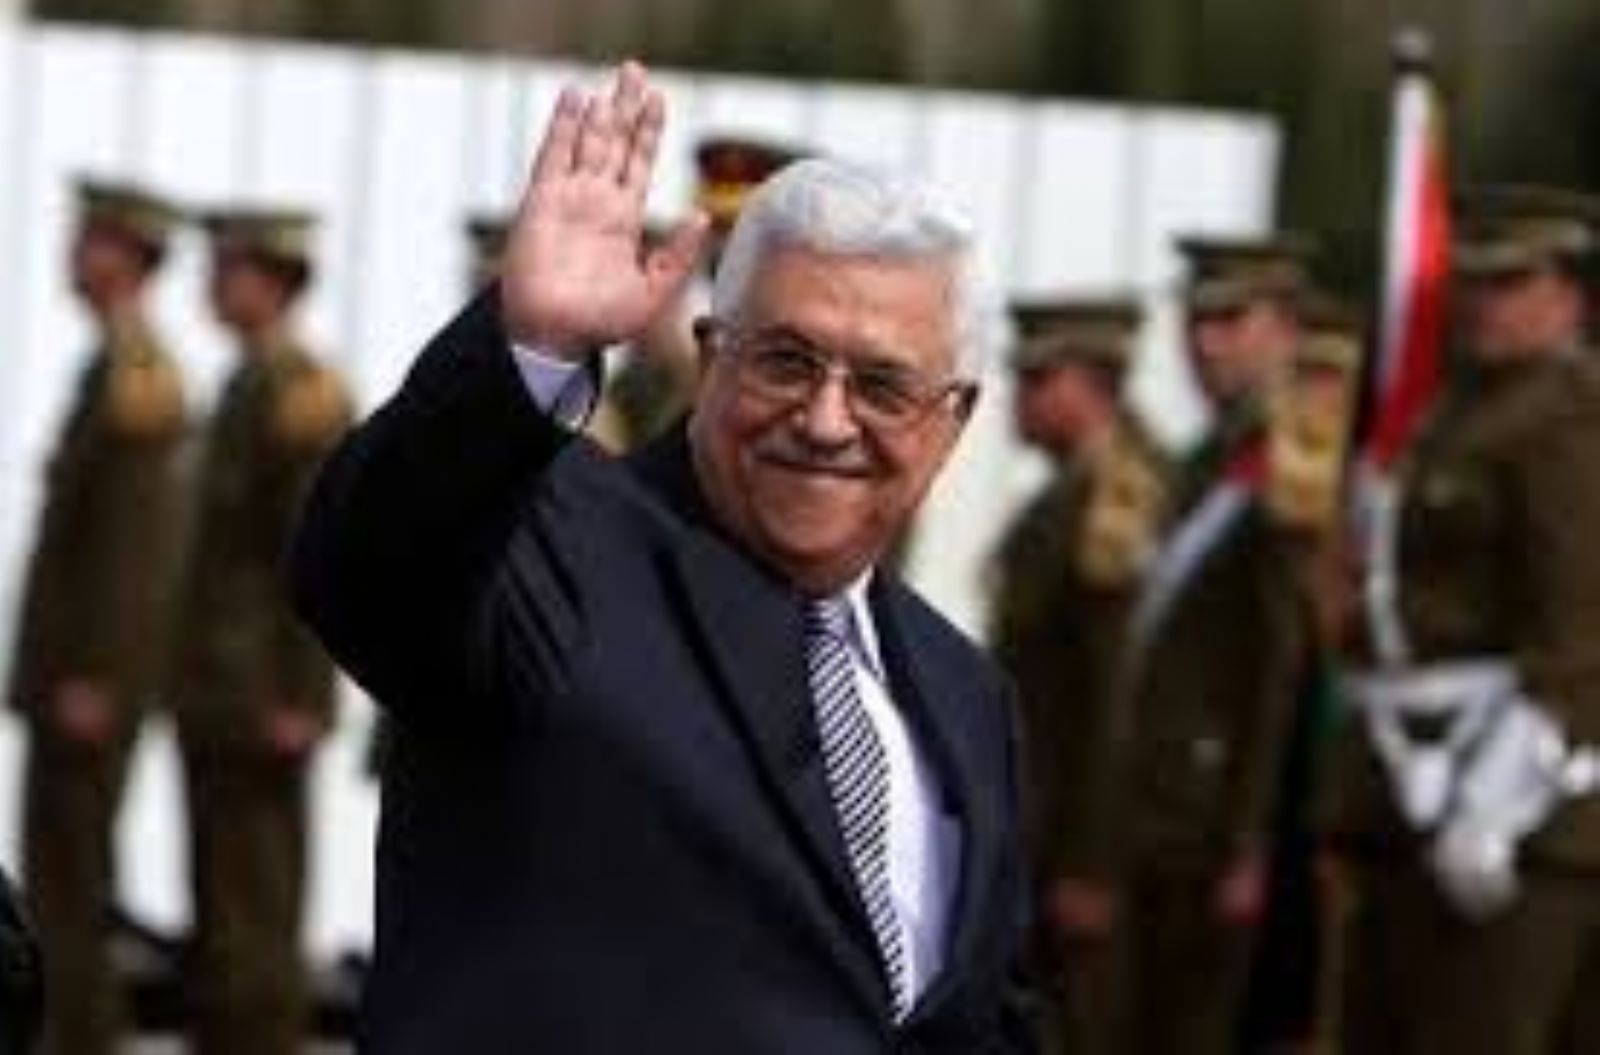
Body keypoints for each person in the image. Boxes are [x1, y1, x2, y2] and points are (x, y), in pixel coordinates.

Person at [289, 62, 1033, 1052]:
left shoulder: (964, 693)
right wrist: (530, 347)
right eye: (786, 360)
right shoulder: (556, 544)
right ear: (712, 352)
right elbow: (368, 565)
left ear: (954, 418)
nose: (825, 419)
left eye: (882, 387)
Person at [1332, 185, 1600, 1055]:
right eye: (1473, 281)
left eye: (1512, 282)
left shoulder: (1568, 416)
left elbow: (1580, 629)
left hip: (1531, 811)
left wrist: (1498, 798)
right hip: (1420, 782)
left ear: (1569, 293)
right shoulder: (1452, 408)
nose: (1485, 302)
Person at [1108, 236, 1330, 1054]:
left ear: (1286, 328)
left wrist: (1251, 839)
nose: (1204, 341)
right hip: (1162, 806)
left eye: (1232, 319)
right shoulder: (1209, 458)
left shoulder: (1293, 459)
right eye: (1196, 319)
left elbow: (1283, 664)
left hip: (1220, 815)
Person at [8, 179, 188, 1055]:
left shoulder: (138, 375)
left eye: (94, 241)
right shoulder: (109, 366)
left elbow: (136, 554)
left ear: (131, 260)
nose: (75, 254)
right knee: (57, 888)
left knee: (71, 896)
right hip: (68, 678)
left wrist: (102, 677)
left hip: (88, 686)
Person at [169, 207, 352, 1055]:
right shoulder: (247, 384)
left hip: (263, 699)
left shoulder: (298, 394)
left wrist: (302, 696)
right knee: (221, 918)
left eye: (230, 267)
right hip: (220, 688)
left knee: (258, 922)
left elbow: (319, 553)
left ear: (277, 282)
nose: (213, 283)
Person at [988, 297, 1167, 1055]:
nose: (1018, 396)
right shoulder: (1070, 491)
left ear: (1094, 383)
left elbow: (1118, 692)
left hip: (1076, 838)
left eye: (1039, 378)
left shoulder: (1115, 498)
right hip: (1043, 820)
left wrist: (1093, 861)